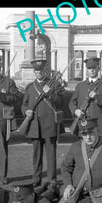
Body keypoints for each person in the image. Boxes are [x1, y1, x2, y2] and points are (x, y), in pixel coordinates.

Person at [21, 59, 65, 187]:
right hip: (35, 125)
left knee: (51, 154)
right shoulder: (30, 87)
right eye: (36, 70)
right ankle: (36, 178)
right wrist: (26, 112)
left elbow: (61, 102)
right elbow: (24, 105)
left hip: (49, 124)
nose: (39, 72)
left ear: (45, 70)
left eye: (41, 70)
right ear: (34, 72)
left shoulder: (54, 84)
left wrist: (50, 93)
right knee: (36, 155)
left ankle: (52, 179)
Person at [69, 57, 102, 138]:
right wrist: (75, 110)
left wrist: (97, 98)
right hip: (84, 126)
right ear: (86, 69)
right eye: (89, 68)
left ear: (98, 68)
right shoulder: (80, 86)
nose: (92, 70)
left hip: (100, 127)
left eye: (94, 68)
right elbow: (72, 102)